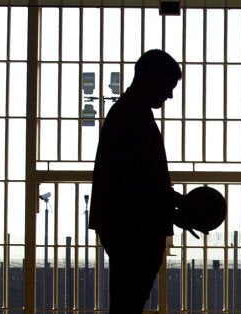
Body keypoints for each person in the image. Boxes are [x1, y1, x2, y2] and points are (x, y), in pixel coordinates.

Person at [88, 49, 182, 313]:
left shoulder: (126, 113)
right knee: (129, 302)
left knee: (126, 302)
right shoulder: (133, 117)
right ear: (153, 79)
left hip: (125, 228)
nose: (170, 94)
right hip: (135, 230)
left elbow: (132, 180)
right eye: (168, 86)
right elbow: (138, 184)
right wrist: (172, 203)